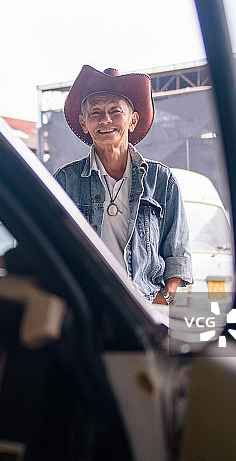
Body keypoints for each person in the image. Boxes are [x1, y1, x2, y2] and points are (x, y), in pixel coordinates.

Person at [53, 65, 192, 305]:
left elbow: (177, 253)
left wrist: (162, 300)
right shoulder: (65, 181)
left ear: (132, 120)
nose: (105, 119)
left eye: (115, 111)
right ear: (84, 123)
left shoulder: (161, 180)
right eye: (95, 112)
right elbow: (54, 248)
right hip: (89, 305)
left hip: (147, 306)